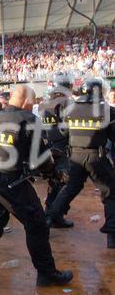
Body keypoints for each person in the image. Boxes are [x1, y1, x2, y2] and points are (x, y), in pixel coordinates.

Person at [0, 85, 73, 289]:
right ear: (26, 101)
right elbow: (41, 158)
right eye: (32, 102)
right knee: (37, 224)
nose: (33, 105)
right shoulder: (28, 119)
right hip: (12, 181)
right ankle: (47, 274)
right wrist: (55, 174)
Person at [46, 78, 115, 249]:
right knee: (110, 193)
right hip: (96, 157)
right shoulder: (107, 110)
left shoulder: (71, 109)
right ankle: (112, 235)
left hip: (75, 156)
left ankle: (49, 219)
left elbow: (63, 132)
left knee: (70, 188)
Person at [37, 75, 74, 228]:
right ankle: (52, 216)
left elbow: (43, 128)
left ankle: (51, 214)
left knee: (55, 180)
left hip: (50, 145)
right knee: (64, 182)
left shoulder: (47, 103)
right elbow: (66, 128)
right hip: (63, 146)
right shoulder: (66, 103)